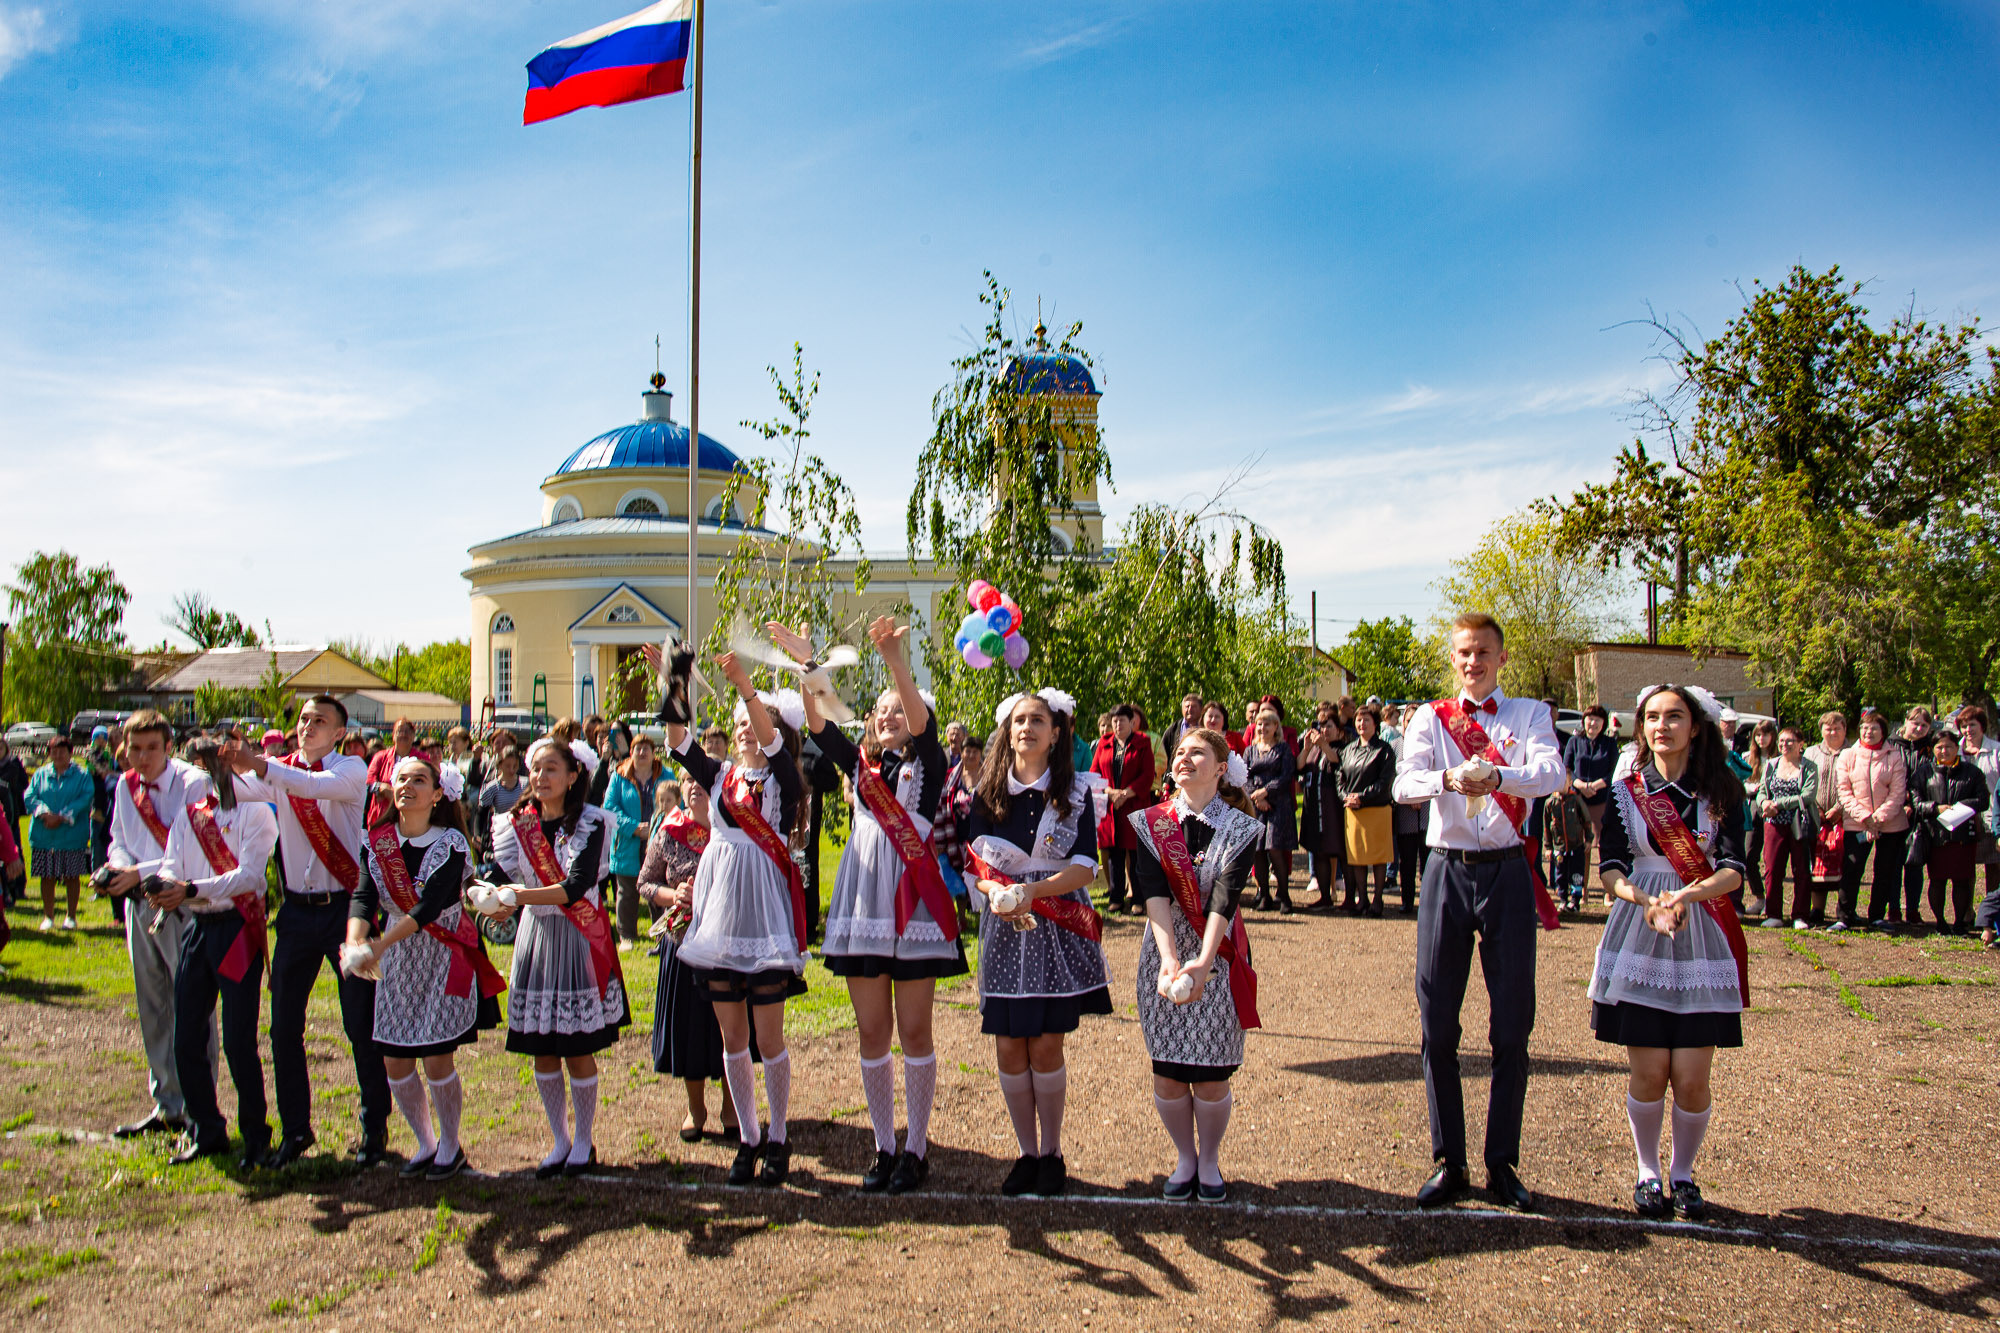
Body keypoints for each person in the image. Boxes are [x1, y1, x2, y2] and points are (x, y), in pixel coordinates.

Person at [770, 617, 964, 1194]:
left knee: (916, 1031)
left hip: (912, 905)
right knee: (872, 1032)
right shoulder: (861, 764)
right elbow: (819, 724)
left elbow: (924, 730)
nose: (887, 716)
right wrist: (808, 665)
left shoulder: (929, 764)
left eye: (898, 710)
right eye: (881, 710)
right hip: (864, 904)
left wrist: (896, 662)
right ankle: (883, 1145)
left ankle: (918, 1147)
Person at [1391, 613, 1564, 1212]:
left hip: (1508, 869)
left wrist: (1499, 776)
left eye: (1483, 652)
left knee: (1512, 1023)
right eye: (1464, 653)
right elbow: (1404, 785)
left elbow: (1550, 774)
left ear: (1501, 656)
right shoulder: (1428, 718)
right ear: (1455, 657)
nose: (1473, 662)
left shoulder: (1528, 715)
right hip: (1446, 869)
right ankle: (1450, 1160)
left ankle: (1501, 1160)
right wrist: (1448, 775)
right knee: (1437, 1020)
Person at [1590, 684, 1748, 1221]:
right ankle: (1648, 1171)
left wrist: (1688, 895)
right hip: (1641, 930)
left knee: (1692, 1076)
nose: (1662, 726)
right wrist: (1644, 899)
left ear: (1696, 726)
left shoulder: (1722, 790)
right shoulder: (1625, 791)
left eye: (1674, 716)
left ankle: (1683, 1172)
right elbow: (1610, 867)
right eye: (1652, 717)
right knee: (1651, 1069)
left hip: (1701, 932)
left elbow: (1733, 869)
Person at [227, 695, 392, 1169]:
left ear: (339, 732)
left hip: (346, 908)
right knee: (283, 1029)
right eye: (302, 720)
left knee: (359, 1025)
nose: (307, 727)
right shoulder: (282, 769)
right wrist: (221, 765)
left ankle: (373, 1125)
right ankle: (296, 1129)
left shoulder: (351, 769)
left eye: (319, 721)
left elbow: (306, 785)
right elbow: (238, 792)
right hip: (297, 914)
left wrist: (260, 765)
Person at [662, 652, 807, 1188]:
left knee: (770, 1039)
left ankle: (779, 1136)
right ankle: (747, 1136)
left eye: (757, 721)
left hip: (764, 917)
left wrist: (746, 688)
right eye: (741, 723)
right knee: (732, 1040)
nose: (747, 729)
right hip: (721, 915)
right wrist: (675, 678)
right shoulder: (719, 774)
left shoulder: (785, 779)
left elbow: (773, 747)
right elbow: (678, 740)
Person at [967, 688, 1107, 1198]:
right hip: (1005, 932)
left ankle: (1052, 1152)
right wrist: (996, 890)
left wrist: (1034, 891)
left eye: (1037, 720)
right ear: (1009, 731)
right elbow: (974, 863)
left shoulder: (1075, 795)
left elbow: (1085, 866)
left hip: (1055, 928)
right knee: (1009, 1046)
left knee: (1046, 1045)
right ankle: (1025, 1152)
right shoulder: (988, 792)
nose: (1026, 727)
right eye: (1019, 720)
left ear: (1055, 734)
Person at [346, 755, 503, 1181]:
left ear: (437, 794)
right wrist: (355, 939)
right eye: (401, 779)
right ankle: (424, 1141)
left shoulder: (450, 842)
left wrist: (377, 944)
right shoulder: (377, 841)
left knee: (437, 1057)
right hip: (396, 960)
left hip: (440, 953)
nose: (408, 786)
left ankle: (450, 1145)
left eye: (419, 779)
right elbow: (363, 896)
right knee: (395, 1061)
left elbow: (430, 906)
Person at [1131, 729, 1261, 1203]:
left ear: (1221, 767)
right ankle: (1184, 1157)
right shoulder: (1151, 823)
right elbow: (1154, 893)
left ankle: (1209, 1160)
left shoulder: (1242, 828)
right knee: (1167, 1070)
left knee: (1210, 1075)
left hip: (1218, 953)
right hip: (1163, 951)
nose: (1184, 758)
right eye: (1179, 752)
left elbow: (1226, 897)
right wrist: (1169, 961)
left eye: (1198, 752)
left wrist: (1203, 963)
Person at [488, 735, 627, 1177]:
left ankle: (584, 1141)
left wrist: (516, 895)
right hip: (536, 936)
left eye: (551, 769)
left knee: (576, 1047)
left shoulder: (592, 822)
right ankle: (559, 1140)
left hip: (576, 938)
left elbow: (575, 887)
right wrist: (489, 892)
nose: (540, 777)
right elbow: (499, 873)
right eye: (536, 768)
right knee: (541, 1049)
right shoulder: (518, 823)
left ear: (572, 777)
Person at [155, 737, 277, 1168]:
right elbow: (172, 862)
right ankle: (207, 1130)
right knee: (186, 1035)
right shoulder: (191, 817)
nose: (209, 773)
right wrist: (169, 883)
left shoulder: (257, 812)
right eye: (201, 765)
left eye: (215, 763)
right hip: (198, 927)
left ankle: (256, 1137)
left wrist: (190, 889)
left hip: (237, 929)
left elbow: (247, 877)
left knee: (239, 1040)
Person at [104, 710, 212, 1139]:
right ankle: (167, 1104)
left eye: (151, 748)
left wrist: (141, 869)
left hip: (179, 902)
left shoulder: (192, 783)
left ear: (168, 747)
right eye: (135, 748)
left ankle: (200, 1109)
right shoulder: (126, 785)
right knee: (153, 1007)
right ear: (125, 748)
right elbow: (118, 839)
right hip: (139, 905)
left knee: (191, 1007)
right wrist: (117, 868)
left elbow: (192, 847)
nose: (143, 757)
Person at [640, 779, 740, 1143]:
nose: (694, 787)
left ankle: (733, 1105)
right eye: (686, 781)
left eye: (701, 782)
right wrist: (673, 894)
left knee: (729, 1028)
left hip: (726, 942)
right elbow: (645, 883)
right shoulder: (668, 831)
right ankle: (695, 1108)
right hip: (682, 943)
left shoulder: (732, 828)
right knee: (689, 1029)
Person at [1836, 709, 1911, 931]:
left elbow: (1898, 792)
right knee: (1852, 868)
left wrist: (1878, 819)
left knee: (1885, 870)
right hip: (1856, 822)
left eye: (1874, 728)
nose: (1869, 732)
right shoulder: (1848, 755)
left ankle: (1877, 915)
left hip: (1890, 824)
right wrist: (1865, 817)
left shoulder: (1894, 756)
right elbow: (1844, 791)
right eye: (1865, 728)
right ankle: (1845, 916)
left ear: (1883, 732)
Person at [1911, 730, 1990, 934]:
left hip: (1963, 836)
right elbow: (1915, 802)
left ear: (1957, 748)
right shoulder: (1923, 773)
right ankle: (1940, 922)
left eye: (1949, 747)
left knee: (1962, 880)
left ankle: (1959, 923)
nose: (1944, 751)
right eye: (1939, 747)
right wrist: (1936, 808)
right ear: (1932, 749)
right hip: (1936, 836)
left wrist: (1959, 807)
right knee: (1937, 880)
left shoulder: (1972, 773)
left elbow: (1983, 800)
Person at [1090, 704, 1157, 915]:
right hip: (1111, 807)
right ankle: (1116, 897)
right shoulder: (1104, 744)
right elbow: (1095, 772)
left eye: (1122, 720)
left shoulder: (1143, 743)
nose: (1118, 724)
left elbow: (1148, 775)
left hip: (1134, 805)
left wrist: (1126, 794)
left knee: (1136, 855)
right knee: (1114, 855)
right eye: (1115, 721)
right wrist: (1111, 792)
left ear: (1132, 722)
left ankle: (1138, 898)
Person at [1753, 727, 1818, 930]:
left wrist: (1778, 804)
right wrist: (1764, 803)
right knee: (1772, 868)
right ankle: (1774, 913)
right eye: (1781, 741)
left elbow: (1807, 796)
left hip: (1799, 823)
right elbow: (1762, 791)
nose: (1784, 745)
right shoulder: (1772, 765)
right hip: (1773, 824)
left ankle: (1800, 914)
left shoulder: (1809, 767)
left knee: (1801, 869)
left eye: (1789, 741)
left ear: (1800, 744)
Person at [27, 733, 93, 931]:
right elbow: (30, 796)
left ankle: (70, 917)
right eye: (53, 751)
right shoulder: (40, 774)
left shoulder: (81, 775)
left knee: (71, 875)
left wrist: (62, 816)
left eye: (62, 751)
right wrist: (45, 814)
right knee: (47, 876)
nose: (57, 755)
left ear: (70, 753)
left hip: (71, 835)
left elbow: (85, 798)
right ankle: (48, 916)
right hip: (44, 834)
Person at [604, 734, 664, 949]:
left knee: (657, 890)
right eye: (638, 748)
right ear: (631, 752)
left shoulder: (665, 775)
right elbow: (610, 808)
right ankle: (627, 935)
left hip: (657, 842)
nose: (642, 752)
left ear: (653, 752)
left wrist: (655, 829)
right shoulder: (619, 776)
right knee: (627, 892)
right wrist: (634, 828)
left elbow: (676, 802)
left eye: (647, 748)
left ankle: (661, 934)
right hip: (628, 841)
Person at [1338, 704, 1397, 915]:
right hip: (1353, 811)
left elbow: (1385, 781)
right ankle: (1362, 898)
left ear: (1375, 724)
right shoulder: (1348, 750)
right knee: (1357, 858)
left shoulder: (1384, 750)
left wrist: (1362, 797)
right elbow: (1340, 778)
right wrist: (1346, 796)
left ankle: (1378, 899)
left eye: (1366, 720)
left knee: (1378, 857)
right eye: (1359, 720)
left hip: (1377, 809)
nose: (1362, 724)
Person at [1242, 706, 1297, 912]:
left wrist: (1266, 792)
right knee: (1257, 852)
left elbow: (1286, 776)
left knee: (1274, 850)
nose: (1263, 727)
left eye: (1267, 723)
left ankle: (1284, 895)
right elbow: (1244, 776)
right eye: (1260, 723)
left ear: (1276, 726)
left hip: (1278, 805)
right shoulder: (1250, 750)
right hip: (1256, 806)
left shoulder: (1283, 749)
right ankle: (1264, 894)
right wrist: (1256, 797)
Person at [1560, 705, 1618, 892]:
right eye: (1589, 718)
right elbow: (1566, 768)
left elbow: (1614, 771)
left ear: (1603, 723)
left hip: (1601, 799)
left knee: (1603, 846)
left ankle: (1608, 892)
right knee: (1579, 846)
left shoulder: (1609, 744)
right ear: (1584, 720)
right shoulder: (1574, 742)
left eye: (1598, 720)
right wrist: (1580, 785)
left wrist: (1597, 785)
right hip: (1577, 799)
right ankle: (1580, 889)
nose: (1593, 723)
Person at [1296, 702, 1346, 911]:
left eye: (1329, 727)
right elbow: (1299, 765)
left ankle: (1349, 898)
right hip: (1314, 807)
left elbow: (1338, 761)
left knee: (1341, 852)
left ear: (1340, 731)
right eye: (1322, 727)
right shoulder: (1314, 752)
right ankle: (1325, 896)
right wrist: (1307, 747)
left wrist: (1325, 745)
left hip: (1334, 808)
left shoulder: (1343, 748)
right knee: (1319, 852)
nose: (1324, 731)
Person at [1805, 712, 1851, 930]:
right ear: (1821, 730)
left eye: (1837, 728)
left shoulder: (1852, 753)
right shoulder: (1812, 752)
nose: (1832, 732)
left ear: (1844, 729)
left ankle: (1843, 910)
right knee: (1817, 862)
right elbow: (1805, 780)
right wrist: (1818, 809)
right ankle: (1817, 909)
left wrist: (1838, 808)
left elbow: (1856, 783)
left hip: (1845, 815)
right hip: (1817, 815)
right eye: (1828, 728)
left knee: (1844, 863)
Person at [1958, 707, 2000, 934]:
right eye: (1964, 726)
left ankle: (1992, 919)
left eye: (1972, 724)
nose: (1968, 730)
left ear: (1982, 726)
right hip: (1964, 819)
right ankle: (1966, 914)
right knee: (1965, 870)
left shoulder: (1996, 751)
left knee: (1994, 869)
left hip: (1992, 817)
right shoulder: (1956, 752)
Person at [1894, 707, 1937, 923]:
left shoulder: (1931, 750)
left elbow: (1931, 780)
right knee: (1891, 863)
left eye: (1924, 725)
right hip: (1893, 811)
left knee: (1914, 862)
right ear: (1906, 722)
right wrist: (1900, 803)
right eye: (1915, 723)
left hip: (1920, 814)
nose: (1919, 729)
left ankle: (1912, 909)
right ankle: (1892, 909)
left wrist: (1914, 803)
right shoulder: (1891, 745)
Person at [365, 718, 424, 828]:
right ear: (393, 735)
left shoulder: (423, 759)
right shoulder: (380, 757)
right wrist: (381, 787)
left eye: (407, 731)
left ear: (413, 736)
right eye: (399, 731)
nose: (403, 734)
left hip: (412, 818)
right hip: (382, 817)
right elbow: (368, 781)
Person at [475, 743, 526, 856]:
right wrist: (478, 835)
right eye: (508, 765)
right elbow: (481, 814)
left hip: (522, 834)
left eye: (515, 765)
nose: (511, 769)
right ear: (500, 764)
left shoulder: (525, 785)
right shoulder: (492, 788)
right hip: (500, 834)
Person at [1161, 693, 1204, 773]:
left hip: (1200, 773)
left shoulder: (1206, 727)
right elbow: (1162, 754)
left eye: (1194, 706)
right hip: (1176, 775)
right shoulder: (1173, 729)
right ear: (1182, 709)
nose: (1190, 709)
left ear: (1201, 709)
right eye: (1187, 706)